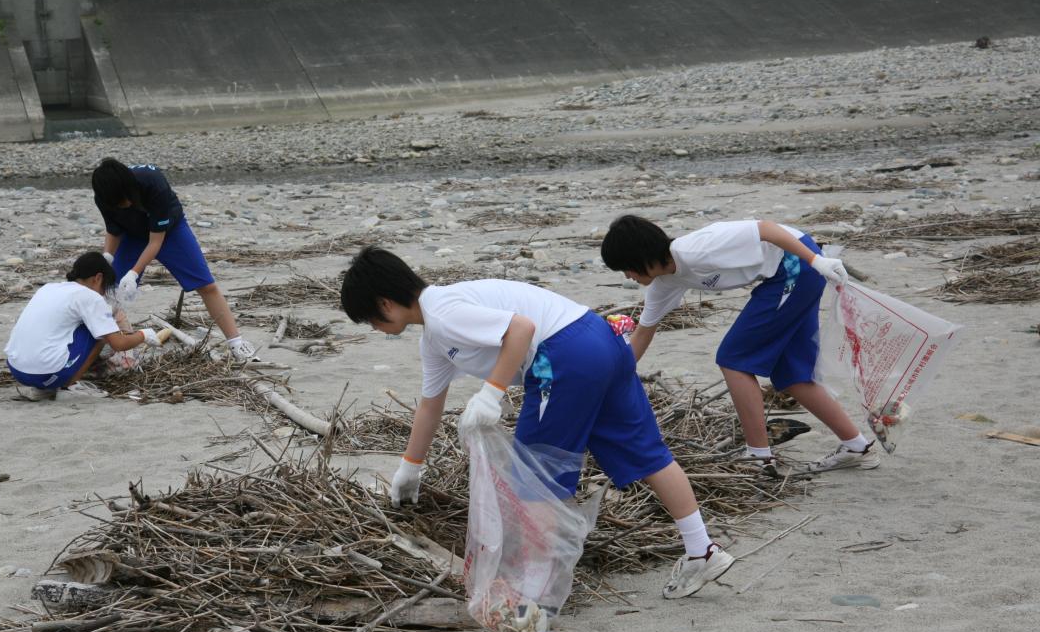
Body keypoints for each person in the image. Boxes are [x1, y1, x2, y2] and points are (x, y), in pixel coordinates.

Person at [340, 246, 735, 601]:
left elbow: (522, 330)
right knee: (648, 453)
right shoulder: (437, 333)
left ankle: (537, 588)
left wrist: (491, 393)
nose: (375, 328)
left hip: (562, 355)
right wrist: (410, 469)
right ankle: (702, 549)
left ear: (386, 304)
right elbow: (430, 405)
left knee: (531, 478)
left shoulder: (443, 314)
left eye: (370, 320)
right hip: (599, 338)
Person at [599, 215, 880, 474]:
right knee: (791, 373)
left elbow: (766, 229)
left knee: (733, 358)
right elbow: (644, 333)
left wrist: (816, 261)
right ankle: (857, 446)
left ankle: (757, 457)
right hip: (786, 277)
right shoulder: (664, 283)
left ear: (640, 256)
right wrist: (613, 378)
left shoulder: (696, 248)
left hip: (795, 264)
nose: (627, 277)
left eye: (626, 268)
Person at [91, 157, 257, 360]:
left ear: (129, 188)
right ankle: (96, 347)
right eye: (116, 204)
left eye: (124, 201)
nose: (122, 206)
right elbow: (113, 230)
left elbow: (155, 242)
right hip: (131, 235)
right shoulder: (103, 196)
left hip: (169, 232)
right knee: (108, 291)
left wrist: (134, 273)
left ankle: (237, 343)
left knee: (206, 285)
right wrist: (107, 258)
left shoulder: (152, 182)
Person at [5, 252, 161, 401]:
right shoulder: (90, 297)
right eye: (104, 288)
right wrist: (144, 334)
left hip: (17, 370)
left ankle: (42, 389)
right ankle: (70, 386)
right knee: (100, 334)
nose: (102, 294)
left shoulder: (47, 288)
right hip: (46, 374)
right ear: (98, 278)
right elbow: (118, 344)